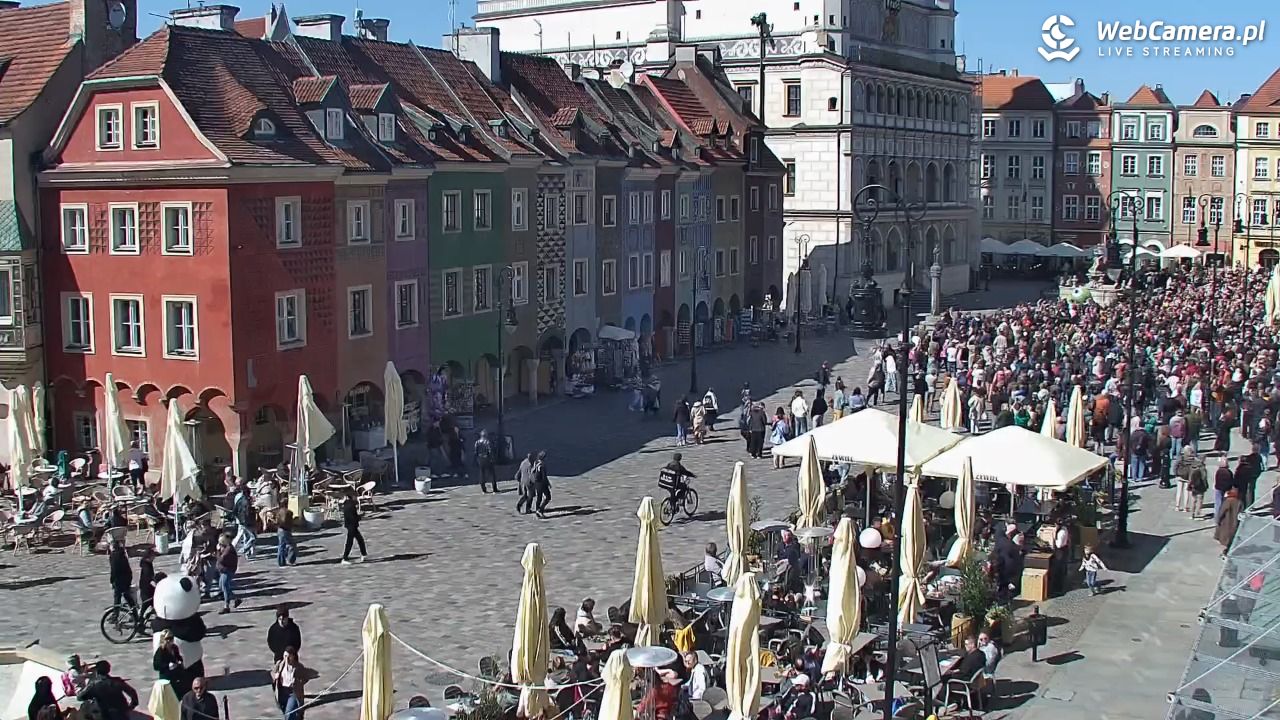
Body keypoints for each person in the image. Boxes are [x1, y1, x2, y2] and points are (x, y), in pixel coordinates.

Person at [271, 647, 312, 720]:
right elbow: (272, 673)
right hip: (282, 692)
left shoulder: (298, 667)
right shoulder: (280, 664)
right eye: (285, 656)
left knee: (289, 713)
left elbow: (306, 677)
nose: (286, 659)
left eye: (288, 656)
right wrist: (275, 676)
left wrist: (298, 683)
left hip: (292, 693)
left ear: (293, 656)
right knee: (287, 713)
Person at [339, 488, 368, 564]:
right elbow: (353, 517)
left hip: (351, 525)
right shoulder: (350, 505)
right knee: (350, 542)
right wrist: (360, 517)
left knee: (360, 539)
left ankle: (364, 554)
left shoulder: (347, 504)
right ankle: (344, 558)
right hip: (352, 526)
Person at [215, 534, 241, 614]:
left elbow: (221, 559)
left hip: (228, 570)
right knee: (222, 587)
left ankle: (226, 606)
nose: (220, 543)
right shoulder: (225, 547)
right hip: (223, 570)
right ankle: (236, 598)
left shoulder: (229, 549)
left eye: (221, 541)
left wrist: (218, 551)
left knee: (225, 587)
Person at [107, 539, 135, 609]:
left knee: (117, 598)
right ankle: (135, 613)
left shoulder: (113, 556)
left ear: (112, 547)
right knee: (127, 597)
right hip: (127, 578)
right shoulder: (122, 554)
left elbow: (114, 570)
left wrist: (112, 581)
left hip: (118, 580)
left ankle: (115, 616)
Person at [1216, 488, 1244, 558]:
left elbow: (1221, 512)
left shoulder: (1228, 501)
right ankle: (1228, 552)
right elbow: (1242, 513)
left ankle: (1225, 553)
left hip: (1226, 524)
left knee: (1225, 540)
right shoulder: (1239, 502)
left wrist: (1218, 521)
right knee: (1231, 539)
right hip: (1234, 524)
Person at [533, 450, 552, 518]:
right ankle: (540, 510)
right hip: (542, 483)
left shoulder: (536, 463)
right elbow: (544, 477)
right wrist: (547, 484)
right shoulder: (542, 465)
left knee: (539, 497)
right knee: (548, 497)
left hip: (536, 482)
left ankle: (537, 509)